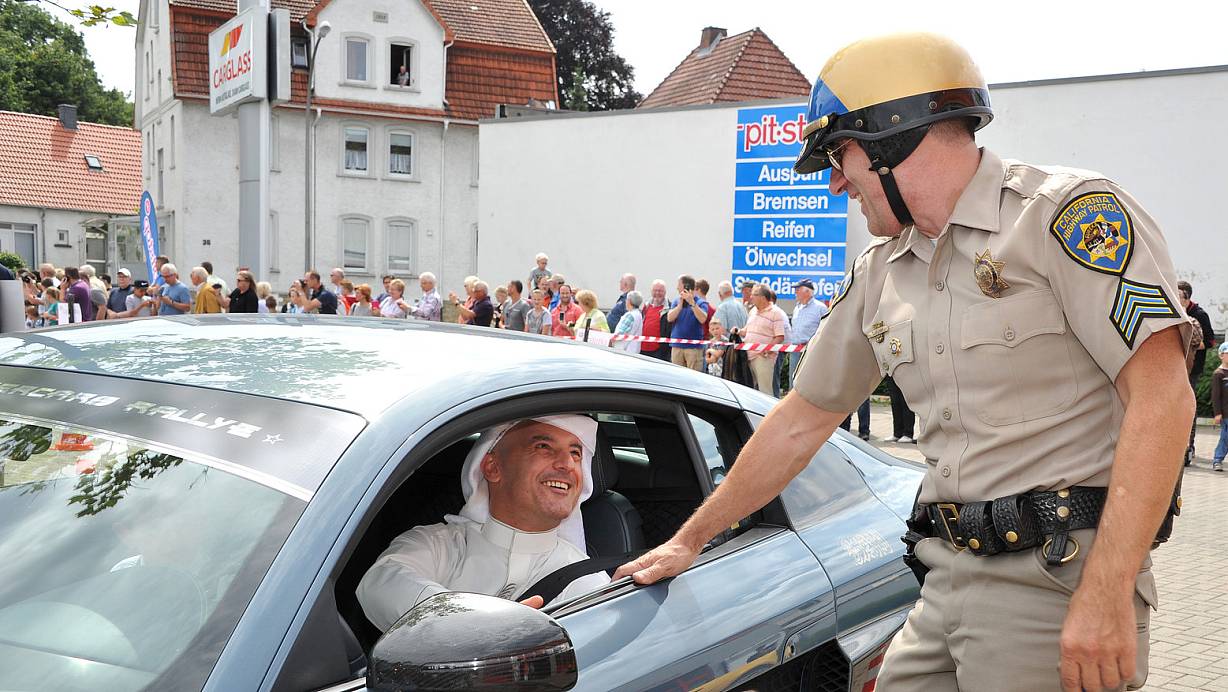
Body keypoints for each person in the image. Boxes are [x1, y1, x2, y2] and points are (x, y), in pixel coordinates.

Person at [615, 33, 1194, 692]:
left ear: (892, 138)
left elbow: (1163, 397)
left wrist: (1107, 590)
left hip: (1057, 582)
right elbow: (801, 420)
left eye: (841, 155)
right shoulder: (881, 272)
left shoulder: (1063, 216)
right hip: (945, 577)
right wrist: (690, 540)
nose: (836, 182)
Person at [357, 416, 609, 628]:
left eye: (575, 454)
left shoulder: (588, 581)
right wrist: (471, 623)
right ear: (492, 467)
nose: (566, 464)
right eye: (543, 446)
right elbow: (379, 584)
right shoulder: (437, 543)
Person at [740, 284, 787, 394]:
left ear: (763, 297)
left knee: (765, 391)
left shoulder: (776, 313)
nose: (751, 297)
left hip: (763, 357)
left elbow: (779, 336)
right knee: (751, 391)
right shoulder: (752, 311)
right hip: (748, 356)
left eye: (754, 294)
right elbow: (746, 330)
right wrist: (738, 331)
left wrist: (766, 350)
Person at [787, 279, 829, 383]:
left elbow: (825, 329)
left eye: (798, 289)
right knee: (793, 379)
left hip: (811, 350)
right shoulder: (797, 307)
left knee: (810, 380)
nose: (795, 292)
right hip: (795, 350)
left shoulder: (820, 308)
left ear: (808, 291)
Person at [666, 275, 709, 371]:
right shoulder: (677, 301)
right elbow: (669, 318)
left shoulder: (701, 303)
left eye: (679, 285)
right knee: (677, 376)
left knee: (694, 376)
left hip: (693, 348)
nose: (677, 288)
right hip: (677, 346)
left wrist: (692, 303)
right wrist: (679, 306)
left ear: (686, 286)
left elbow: (703, 319)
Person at [640, 280, 670, 362]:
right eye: (655, 290)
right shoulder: (646, 306)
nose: (657, 293)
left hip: (659, 351)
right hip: (643, 348)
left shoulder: (669, 308)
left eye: (660, 291)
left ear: (665, 292)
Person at [1213, 343, 1227, 472]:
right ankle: (1217, 460)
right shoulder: (1219, 374)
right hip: (1225, 414)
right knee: (1225, 437)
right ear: (1221, 355)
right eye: (1227, 354)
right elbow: (1216, 396)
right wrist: (1218, 413)